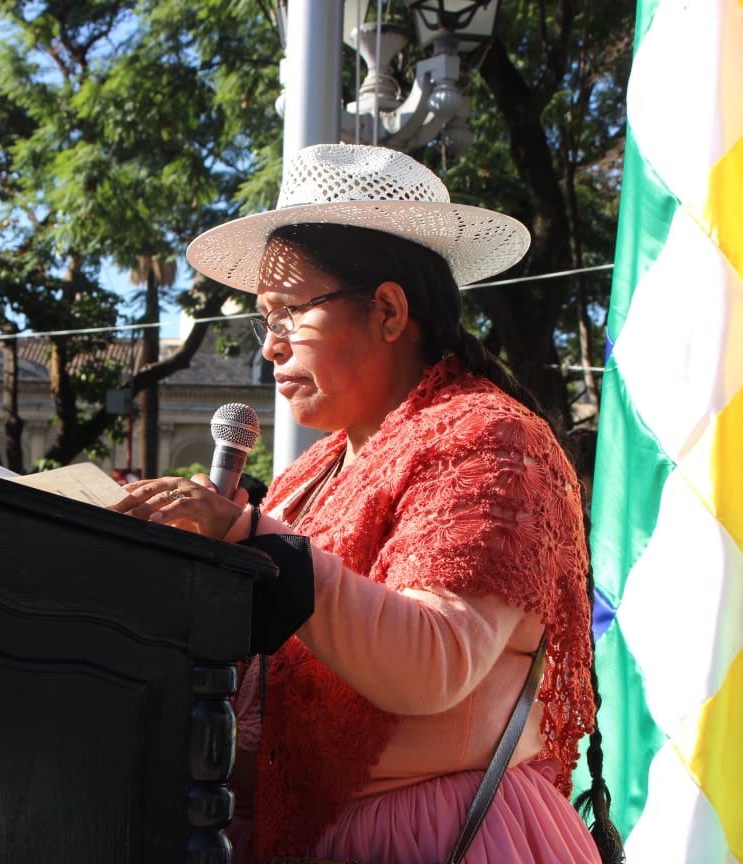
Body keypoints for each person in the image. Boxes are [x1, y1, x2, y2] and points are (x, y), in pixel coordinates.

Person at [111, 143, 621, 864]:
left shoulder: (492, 437)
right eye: (265, 320)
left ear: (388, 311)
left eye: (290, 312)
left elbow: (433, 664)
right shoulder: (307, 476)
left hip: (431, 839)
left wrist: (257, 539)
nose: (272, 349)